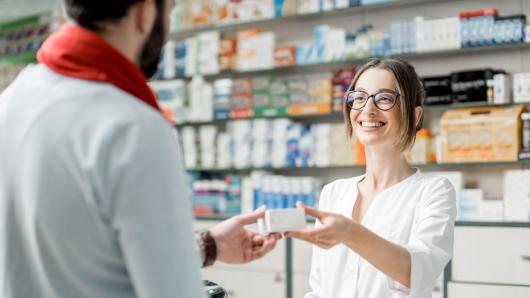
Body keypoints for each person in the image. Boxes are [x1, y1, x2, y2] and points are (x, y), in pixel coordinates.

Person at [0, 0, 280, 297]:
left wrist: (209, 246)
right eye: (170, 9)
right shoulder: (134, 126)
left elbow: (71, 249)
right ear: (146, 12)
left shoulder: (13, 100)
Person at [286, 58, 457, 298]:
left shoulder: (434, 191)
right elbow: (320, 289)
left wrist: (349, 233)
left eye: (384, 98)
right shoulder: (333, 192)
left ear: (415, 116)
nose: (368, 109)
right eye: (359, 97)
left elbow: (418, 272)